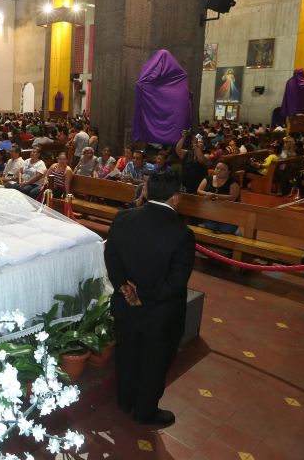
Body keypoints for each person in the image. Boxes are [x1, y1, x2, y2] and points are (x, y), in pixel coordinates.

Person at [104, 171, 195, 426]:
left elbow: (111, 257)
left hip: (125, 305)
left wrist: (125, 288)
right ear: (176, 198)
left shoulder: (123, 217)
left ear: (146, 191)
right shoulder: (182, 233)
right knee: (155, 362)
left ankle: (125, 401)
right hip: (160, 312)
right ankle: (145, 412)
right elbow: (175, 283)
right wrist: (141, 294)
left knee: (127, 354)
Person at [196, 162, 241, 234]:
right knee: (211, 228)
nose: (219, 170)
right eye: (217, 168)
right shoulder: (208, 178)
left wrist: (215, 195)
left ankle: (236, 232)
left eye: (223, 169)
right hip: (211, 213)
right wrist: (207, 193)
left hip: (228, 215)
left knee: (225, 231)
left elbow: (232, 197)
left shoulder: (233, 182)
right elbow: (199, 190)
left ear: (229, 172)